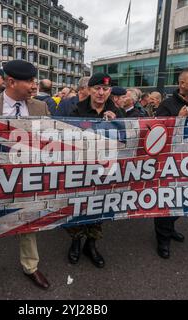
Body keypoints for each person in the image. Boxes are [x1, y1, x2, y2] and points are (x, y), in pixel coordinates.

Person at [0, 60, 51, 293]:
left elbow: (49, 137)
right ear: (11, 82)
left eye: (35, 80)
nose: (34, 85)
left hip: (28, 175)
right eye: (29, 81)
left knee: (28, 221)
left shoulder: (40, 107)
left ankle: (30, 266)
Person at [66, 73, 125, 269]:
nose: (101, 93)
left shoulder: (117, 113)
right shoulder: (75, 111)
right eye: (97, 88)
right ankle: (75, 242)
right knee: (77, 206)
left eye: (105, 89)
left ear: (110, 91)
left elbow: (126, 142)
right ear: (89, 89)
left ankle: (91, 245)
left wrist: (115, 124)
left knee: (99, 208)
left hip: (105, 171)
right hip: (80, 169)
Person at [154, 67, 188, 260]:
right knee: (167, 201)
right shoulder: (167, 105)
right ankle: (163, 238)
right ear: (182, 84)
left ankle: (171, 228)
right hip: (170, 163)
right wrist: (178, 121)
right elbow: (156, 136)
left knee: (183, 200)